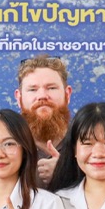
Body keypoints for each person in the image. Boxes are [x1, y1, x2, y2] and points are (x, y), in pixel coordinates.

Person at [14, 56, 72, 187]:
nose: (42, 96)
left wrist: (67, 173)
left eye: (51, 88)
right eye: (32, 90)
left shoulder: (86, 143)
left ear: (67, 94)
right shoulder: (6, 148)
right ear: (19, 98)